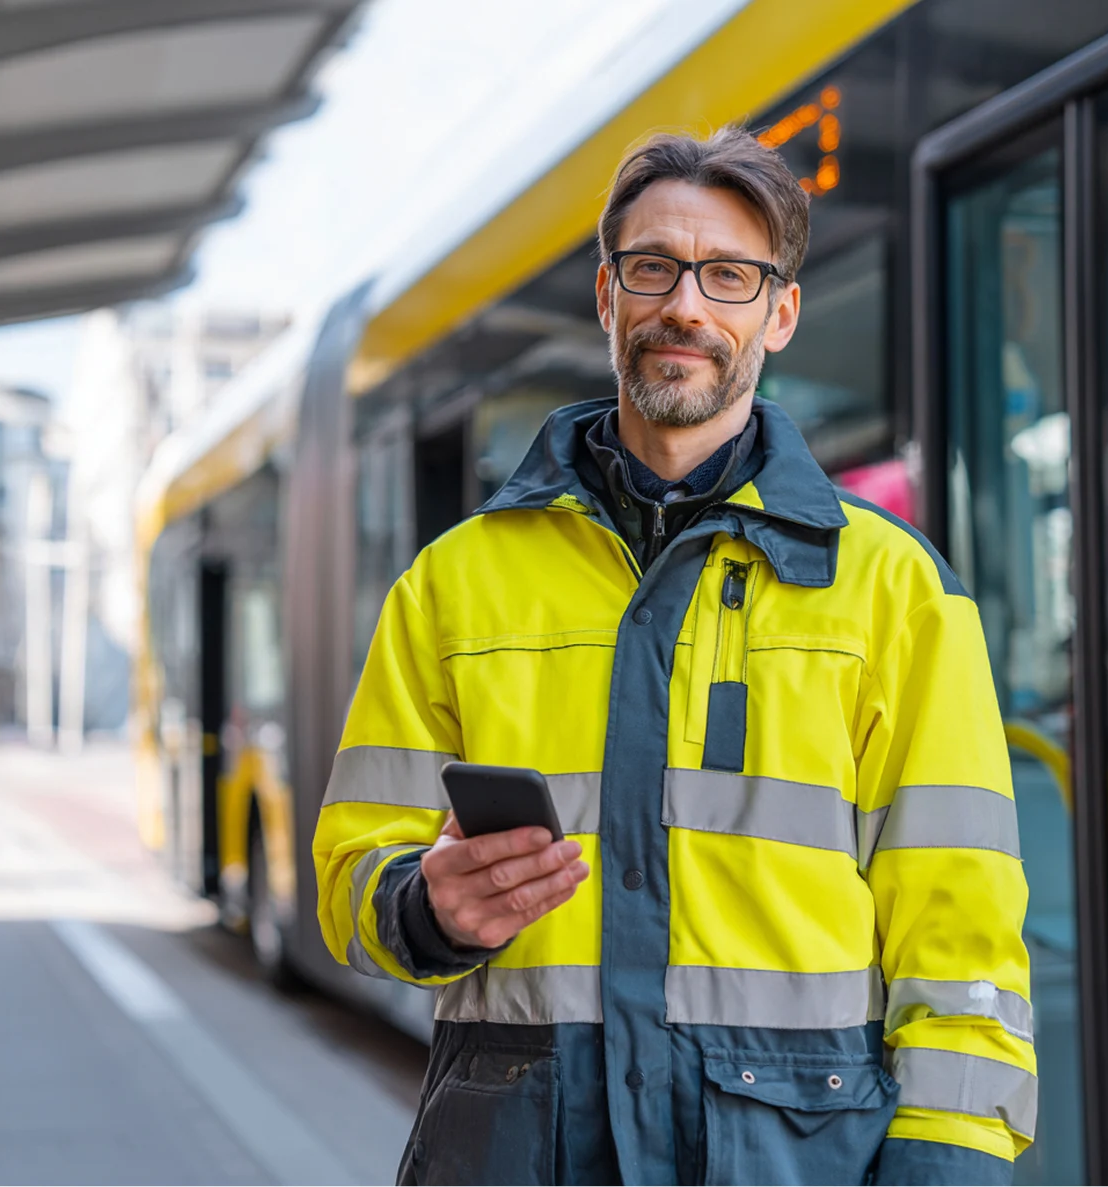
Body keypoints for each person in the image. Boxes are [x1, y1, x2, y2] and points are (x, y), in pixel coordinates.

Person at [315, 127, 1031, 1186]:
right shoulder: (453, 583)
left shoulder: (894, 588)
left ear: (778, 312)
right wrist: (422, 903)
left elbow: (961, 934)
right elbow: (350, 867)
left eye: (729, 275)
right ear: (608, 296)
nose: (685, 307)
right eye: (652, 268)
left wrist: (949, 1169)